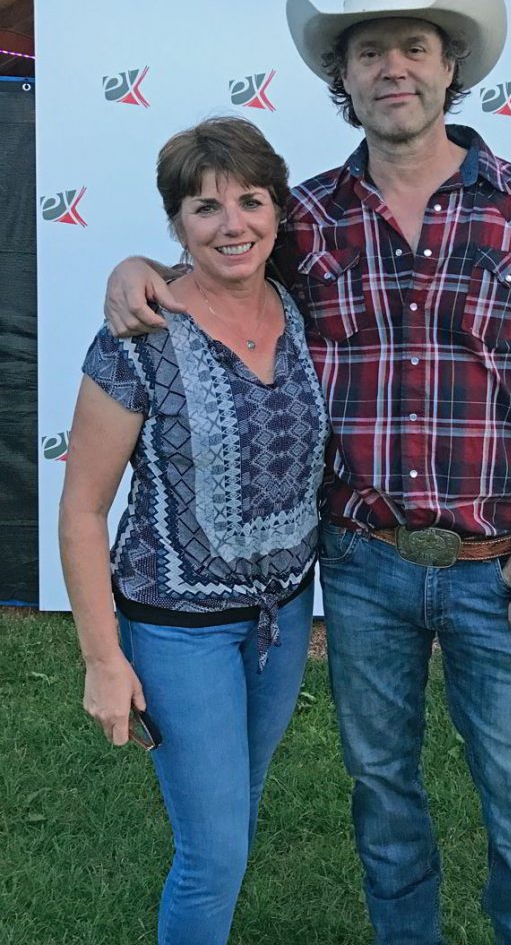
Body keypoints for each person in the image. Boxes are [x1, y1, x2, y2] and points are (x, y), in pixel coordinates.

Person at [103, 0, 511, 945]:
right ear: (341, 78)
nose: (394, 67)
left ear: (449, 66)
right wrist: (137, 267)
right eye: (369, 49)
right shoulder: (309, 219)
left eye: (415, 47)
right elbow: (222, 265)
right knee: (384, 795)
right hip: (363, 566)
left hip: (496, 562)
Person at [59, 116, 330, 945]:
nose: (232, 224)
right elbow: (81, 510)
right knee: (211, 856)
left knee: (236, 822)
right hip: (176, 632)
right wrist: (104, 661)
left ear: (278, 212)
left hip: (281, 623)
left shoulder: (302, 306)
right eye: (204, 208)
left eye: (250, 201)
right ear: (175, 223)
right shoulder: (137, 337)